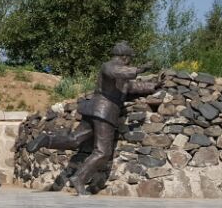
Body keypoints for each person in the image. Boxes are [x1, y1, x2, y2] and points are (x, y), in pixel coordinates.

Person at [26, 41, 158, 195]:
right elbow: (121, 72)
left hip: (94, 110)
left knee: (75, 140)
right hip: (104, 113)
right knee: (103, 152)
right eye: (129, 58)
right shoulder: (109, 66)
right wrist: (141, 69)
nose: (130, 61)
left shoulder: (120, 77)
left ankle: (46, 140)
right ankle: (79, 179)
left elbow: (132, 87)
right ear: (124, 57)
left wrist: (154, 86)